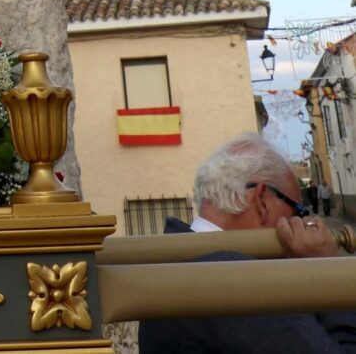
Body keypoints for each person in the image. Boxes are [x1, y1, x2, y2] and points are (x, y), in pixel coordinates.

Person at [139, 132, 356, 352]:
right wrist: (325, 272)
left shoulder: (173, 265)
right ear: (262, 201)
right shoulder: (240, 281)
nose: (300, 221)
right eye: (297, 211)